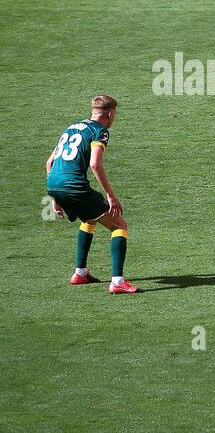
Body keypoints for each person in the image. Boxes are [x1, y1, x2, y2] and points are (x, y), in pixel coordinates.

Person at [45, 95, 137, 293]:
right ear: (110, 113)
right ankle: (118, 282)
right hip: (74, 186)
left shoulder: (71, 127)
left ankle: (80, 273)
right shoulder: (99, 131)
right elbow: (95, 163)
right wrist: (110, 195)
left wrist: (54, 197)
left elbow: (49, 163)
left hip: (53, 183)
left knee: (90, 217)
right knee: (119, 224)